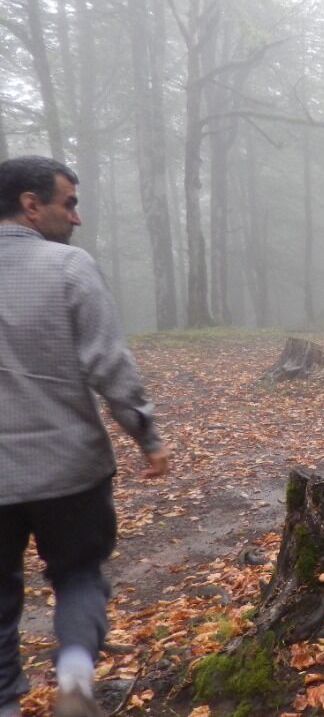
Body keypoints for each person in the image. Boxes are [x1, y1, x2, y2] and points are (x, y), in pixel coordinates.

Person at [0, 156, 169, 717]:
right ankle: (74, 680)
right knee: (77, 577)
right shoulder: (69, 268)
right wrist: (145, 434)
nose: (76, 218)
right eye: (67, 202)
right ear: (31, 204)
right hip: (67, 467)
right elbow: (109, 366)